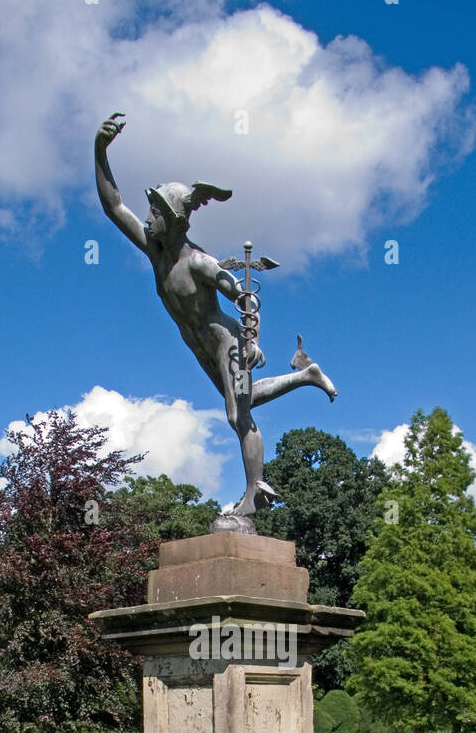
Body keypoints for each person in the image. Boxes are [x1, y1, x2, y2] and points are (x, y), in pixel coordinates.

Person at [94, 112, 337, 528]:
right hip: (202, 350)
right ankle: (305, 375)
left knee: (238, 416)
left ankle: (253, 492)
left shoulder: (200, 264)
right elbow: (114, 206)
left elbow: (240, 294)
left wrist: (250, 340)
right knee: (246, 400)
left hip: (225, 345)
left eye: (154, 212)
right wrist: (100, 150)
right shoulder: (156, 253)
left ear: (172, 220)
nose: (148, 218)